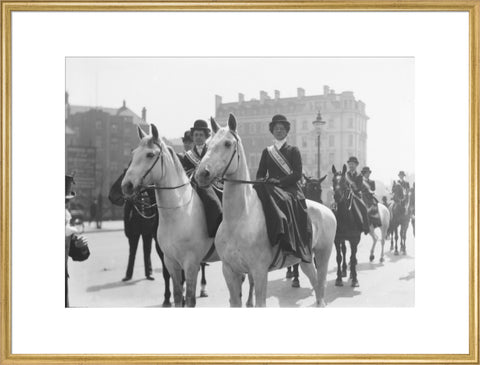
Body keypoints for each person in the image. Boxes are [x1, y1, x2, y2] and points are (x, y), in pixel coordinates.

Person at [254, 114, 312, 264]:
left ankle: (288, 241)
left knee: (285, 201)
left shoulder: (293, 150)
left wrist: (279, 182)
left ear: (287, 131)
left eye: (281, 128)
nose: (278, 131)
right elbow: (260, 173)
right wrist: (262, 180)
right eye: (276, 128)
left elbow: (297, 174)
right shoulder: (267, 151)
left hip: (289, 188)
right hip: (270, 187)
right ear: (272, 131)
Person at [180, 119, 222, 237]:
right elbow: (184, 173)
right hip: (193, 186)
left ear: (206, 136)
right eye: (196, 135)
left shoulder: (211, 151)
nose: (198, 137)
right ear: (193, 137)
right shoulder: (187, 156)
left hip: (213, 184)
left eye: (201, 135)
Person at [122, 188, 157, 281]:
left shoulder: (149, 194)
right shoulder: (132, 195)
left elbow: (154, 212)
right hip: (134, 229)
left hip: (147, 228)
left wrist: (153, 227)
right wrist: (127, 229)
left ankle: (148, 273)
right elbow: (126, 214)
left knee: (147, 252)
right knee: (132, 253)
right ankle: (128, 275)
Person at [65, 174, 88, 307]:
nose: (67, 206)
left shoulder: (65, 222)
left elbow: (76, 254)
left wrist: (79, 247)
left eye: (67, 202)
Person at [345, 156, 370, 234]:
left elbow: (359, 186)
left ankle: (366, 227)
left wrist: (353, 190)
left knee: (364, 208)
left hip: (356, 195)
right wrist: (347, 189)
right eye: (349, 164)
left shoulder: (359, 176)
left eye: (352, 164)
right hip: (346, 195)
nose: (351, 166)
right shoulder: (346, 174)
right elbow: (344, 184)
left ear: (356, 165)